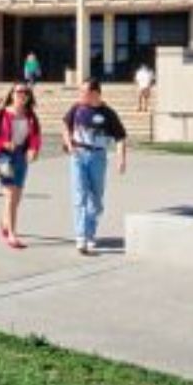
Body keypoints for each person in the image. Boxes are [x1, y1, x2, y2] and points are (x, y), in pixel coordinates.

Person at [61, 79, 129, 256]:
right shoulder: (76, 108)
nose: (80, 95)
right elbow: (65, 126)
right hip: (78, 155)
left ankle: (91, 233)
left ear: (95, 93)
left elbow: (120, 137)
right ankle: (81, 237)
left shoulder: (108, 113)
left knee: (96, 200)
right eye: (80, 92)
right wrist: (69, 144)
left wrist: (121, 159)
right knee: (80, 195)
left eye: (83, 92)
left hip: (98, 157)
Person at [0, 84, 41, 249]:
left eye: (25, 92)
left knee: (17, 198)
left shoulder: (30, 116)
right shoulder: (1, 113)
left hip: (21, 157)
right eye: (18, 92)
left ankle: (4, 222)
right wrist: (4, 143)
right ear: (12, 94)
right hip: (4, 157)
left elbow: (35, 136)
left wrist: (33, 149)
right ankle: (12, 235)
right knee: (10, 195)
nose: (22, 94)